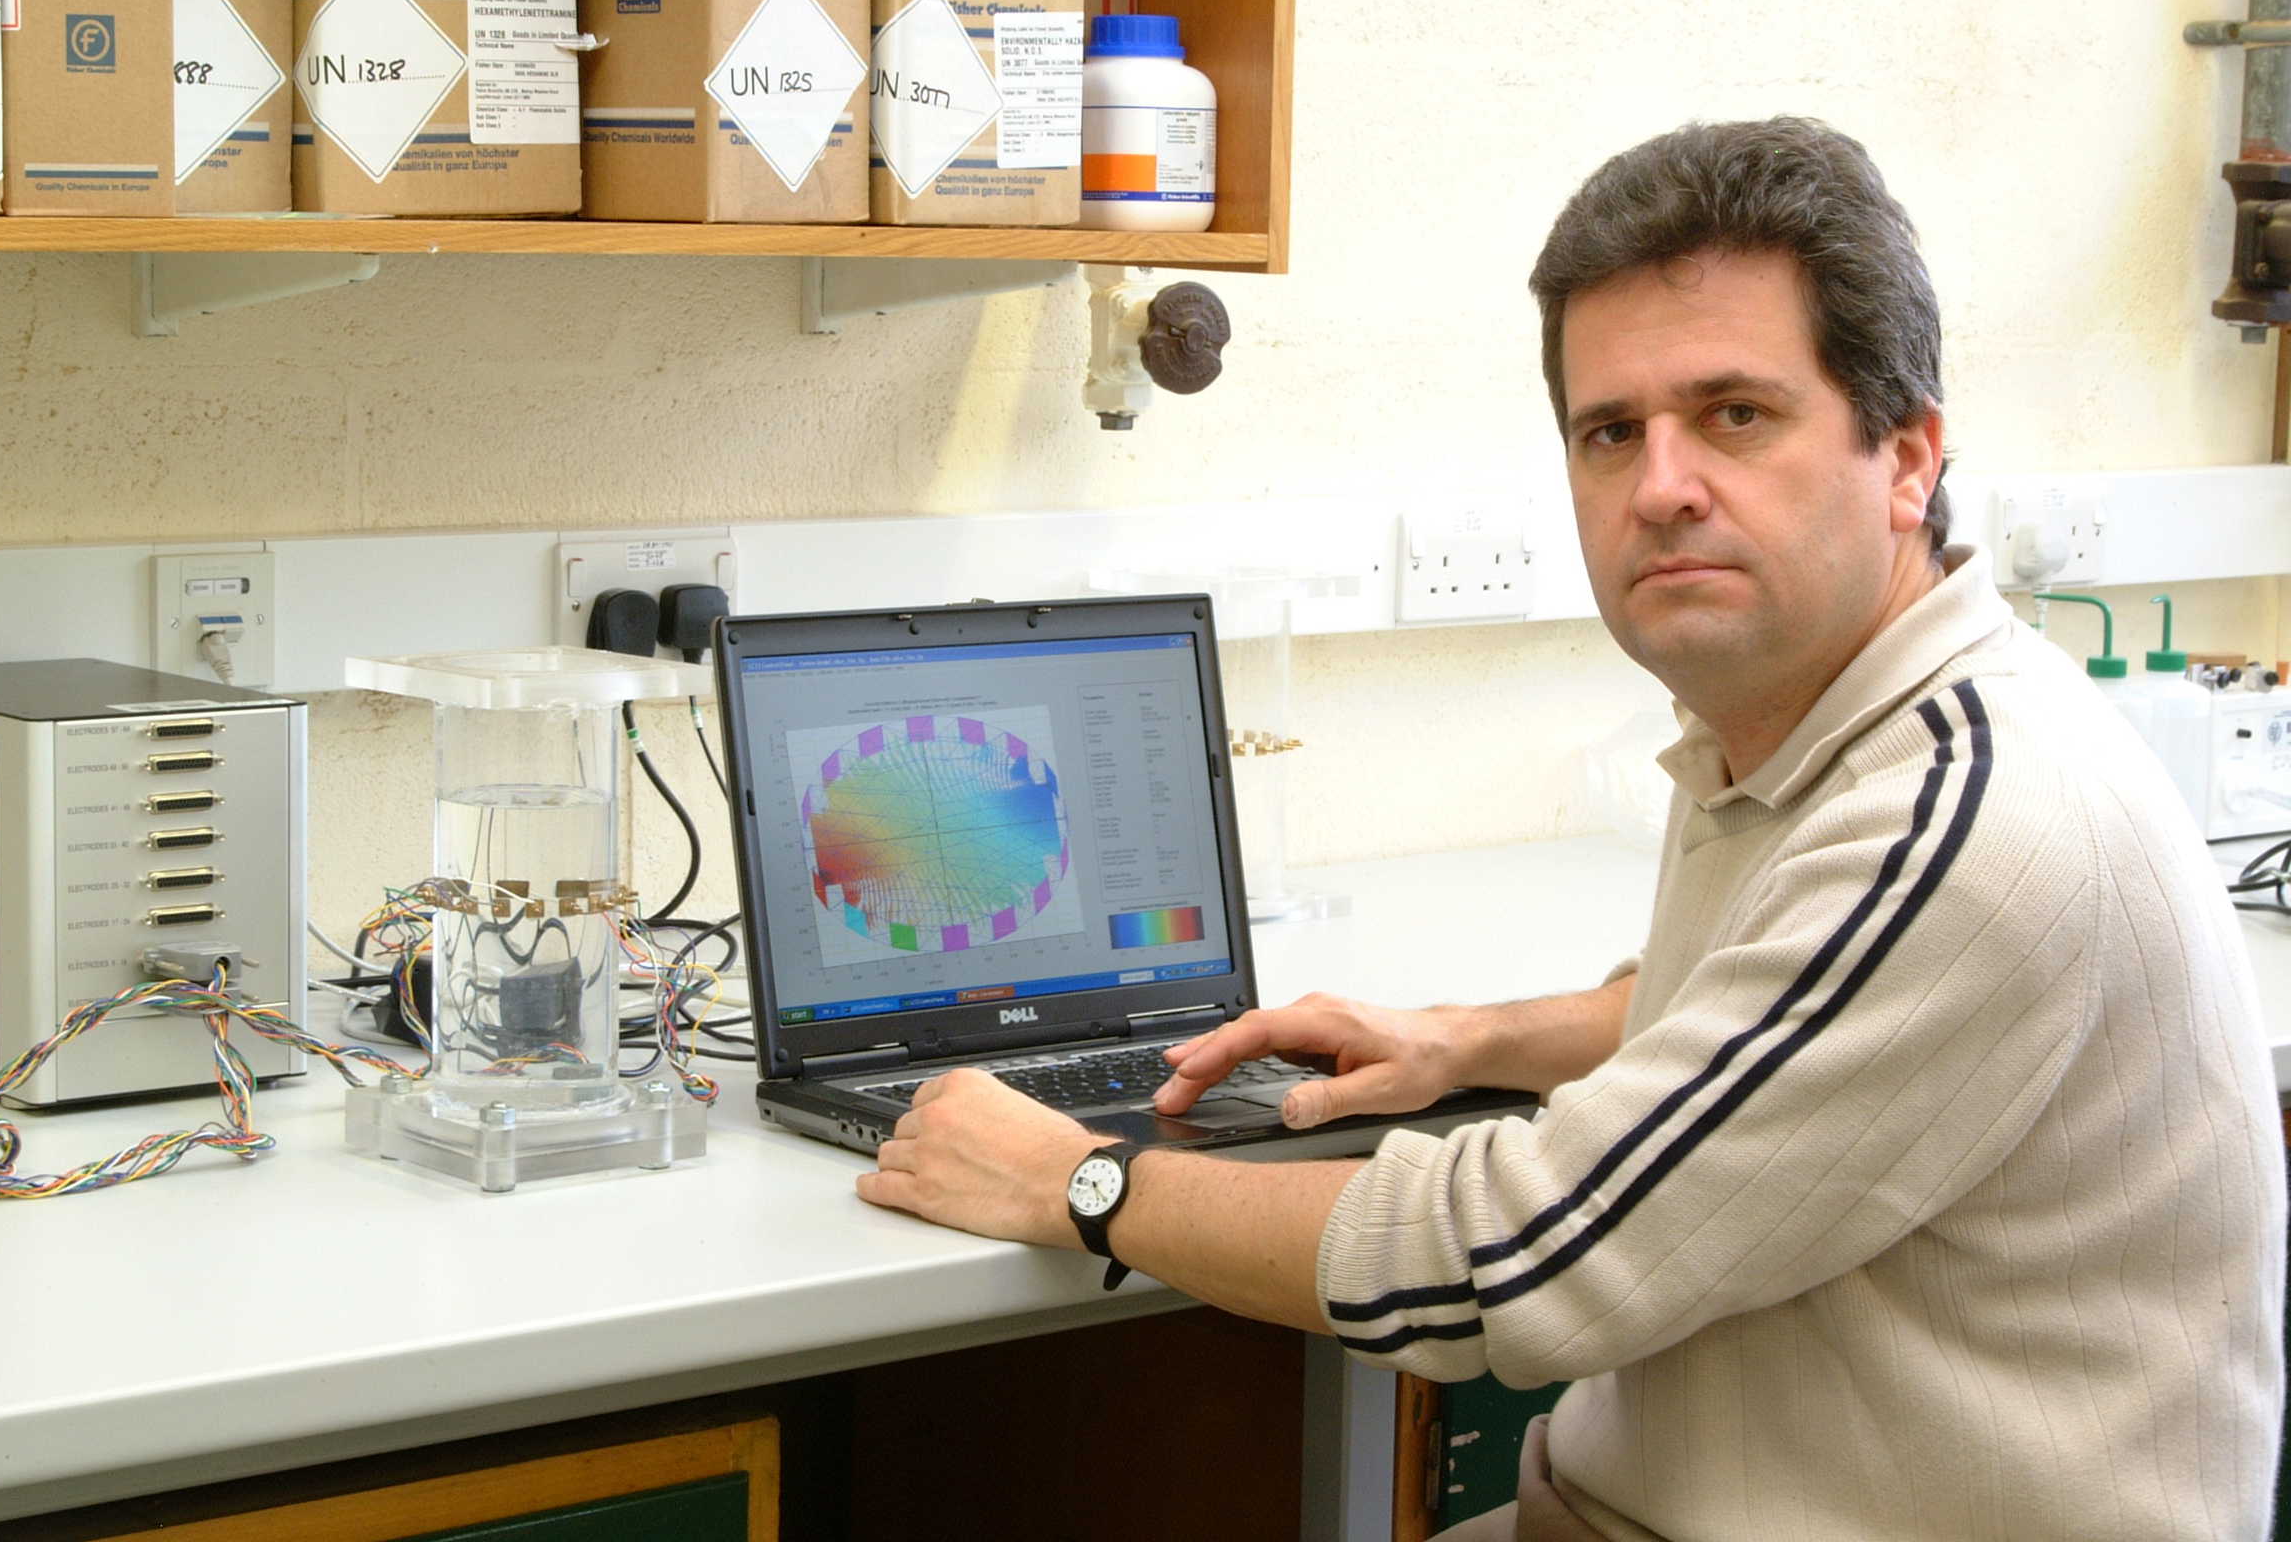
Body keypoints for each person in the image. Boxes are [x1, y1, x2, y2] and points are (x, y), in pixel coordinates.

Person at [853, 117, 2288, 1539]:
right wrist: (1471, 1042)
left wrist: (1083, 1181)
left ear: (1906, 457)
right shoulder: (1819, 728)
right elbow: (1770, 1018)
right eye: (1613, 432)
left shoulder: (1972, 819)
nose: (1662, 485)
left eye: (1736, 413)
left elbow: (1498, 1263)